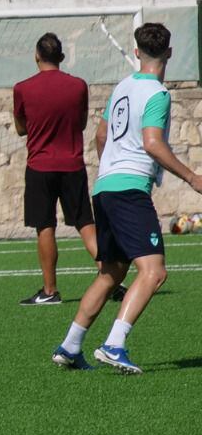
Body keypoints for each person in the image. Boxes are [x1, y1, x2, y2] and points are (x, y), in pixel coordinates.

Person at [52, 23, 202, 374]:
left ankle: (71, 346)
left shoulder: (122, 87)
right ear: (169, 53)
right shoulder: (158, 94)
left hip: (104, 187)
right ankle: (114, 344)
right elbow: (152, 142)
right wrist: (192, 177)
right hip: (129, 190)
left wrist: (110, 167)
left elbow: (102, 135)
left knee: (111, 272)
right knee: (154, 272)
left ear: (136, 53)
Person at [12, 33, 106, 306]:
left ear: (36, 56)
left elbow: (20, 128)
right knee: (85, 224)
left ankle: (50, 291)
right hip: (72, 164)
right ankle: (110, 276)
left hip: (40, 166)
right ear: (62, 58)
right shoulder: (78, 86)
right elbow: (80, 123)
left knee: (45, 226)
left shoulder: (22, 88)